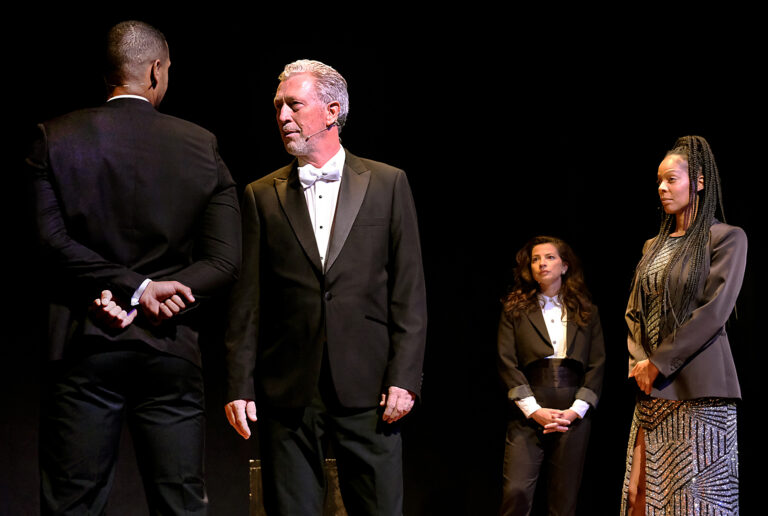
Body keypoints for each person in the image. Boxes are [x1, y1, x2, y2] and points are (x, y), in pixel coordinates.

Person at [27, 21, 241, 515]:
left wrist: (127, 289)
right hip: (170, 348)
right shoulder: (201, 145)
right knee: (181, 507)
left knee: (71, 506)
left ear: (107, 75)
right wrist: (156, 291)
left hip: (84, 342)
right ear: (155, 70)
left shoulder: (53, 138)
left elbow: (49, 244)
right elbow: (224, 262)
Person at [224, 59, 427, 515]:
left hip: (370, 386)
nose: (281, 117)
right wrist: (239, 383)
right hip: (289, 388)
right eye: (277, 107)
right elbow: (247, 300)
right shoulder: (261, 193)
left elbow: (409, 291)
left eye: (293, 105)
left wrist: (404, 377)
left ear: (332, 111)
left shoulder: (388, 183)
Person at [621, 135, 747, 515]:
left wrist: (659, 361)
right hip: (652, 391)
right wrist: (641, 364)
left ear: (700, 181)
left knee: (696, 503)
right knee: (641, 498)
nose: (662, 188)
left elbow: (714, 311)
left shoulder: (725, 239)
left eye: (672, 179)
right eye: (659, 181)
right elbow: (633, 314)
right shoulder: (652, 247)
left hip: (699, 395)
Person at [497, 235, 605, 516]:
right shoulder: (514, 309)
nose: (542, 264)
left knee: (563, 499)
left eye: (549, 257)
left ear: (565, 265)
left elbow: (597, 364)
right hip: (528, 409)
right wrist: (533, 410)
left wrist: (575, 411)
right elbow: (507, 362)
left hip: (572, 411)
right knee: (516, 493)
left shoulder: (587, 311)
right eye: (535, 259)